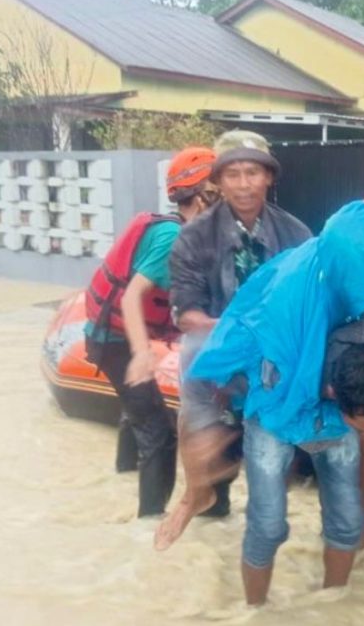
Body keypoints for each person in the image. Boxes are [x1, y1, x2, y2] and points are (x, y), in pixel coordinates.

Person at [181, 202, 364, 605]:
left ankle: (331, 607)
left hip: (345, 393)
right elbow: (221, 370)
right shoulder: (288, 308)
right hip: (276, 398)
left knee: (348, 519)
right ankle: (254, 609)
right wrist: (215, 432)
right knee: (267, 524)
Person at [160, 130, 312, 530]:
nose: (244, 184)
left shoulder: (297, 235)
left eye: (253, 172)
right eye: (233, 174)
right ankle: (198, 493)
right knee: (193, 358)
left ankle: (267, 522)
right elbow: (186, 313)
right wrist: (240, 333)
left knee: (272, 487)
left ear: (268, 177)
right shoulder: (193, 237)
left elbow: (309, 307)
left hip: (275, 357)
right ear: (218, 181)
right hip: (217, 353)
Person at [83, 146, 220, 517]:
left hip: (112, 334)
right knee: (159, 431)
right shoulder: (172, 238)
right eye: (218, 190)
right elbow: (132, 297)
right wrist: (143, 354)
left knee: (137, 409)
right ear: (202, 196)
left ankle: (123, 475)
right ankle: (148, 525)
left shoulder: (182, 232)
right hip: (115, 341)